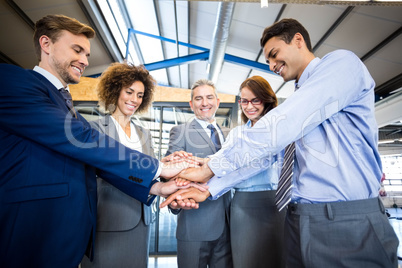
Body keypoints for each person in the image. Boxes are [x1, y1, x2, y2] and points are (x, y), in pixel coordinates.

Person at [162, 18, 399, 267]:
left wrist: (208, 167)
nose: (273, 65)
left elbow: (282, 124)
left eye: (274, 55)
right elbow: (261, 159)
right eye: (269, 62)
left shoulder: (341, 65)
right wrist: (210, 187)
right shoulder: (295, 103)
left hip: (346, 219)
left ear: (298, 40)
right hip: (299, 217)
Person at [0, 14, 197, 268]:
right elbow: (84, 140)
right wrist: (159, 167)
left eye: (87, 55)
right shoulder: (13, 81)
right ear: (46, 44)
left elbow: (95, 164)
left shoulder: (65, 104)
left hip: (67, 235)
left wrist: (157, 187)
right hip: (32, 232)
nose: (84, 60)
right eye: (77, 50)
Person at [80, 63, 158, 267]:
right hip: (110, 218)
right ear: (115, 91)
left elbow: (153, 172)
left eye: (140, 95)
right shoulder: (95, 129)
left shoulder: (145, 134)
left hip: (142, 219)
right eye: (129, 92)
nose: (134, 100)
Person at [166, 79, 233, 268]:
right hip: (195, 226)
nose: (205, 103)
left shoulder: (230, 135)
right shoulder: (180, 132)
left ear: (218, 101)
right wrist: (176, 203)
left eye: (209, 97)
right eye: (199, 98)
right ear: (191, 104)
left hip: (230, 227)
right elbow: (169, 172)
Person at [227, 76, 285, 268]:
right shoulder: (236, 134)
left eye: (255, 100)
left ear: (266, 99)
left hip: (274, 202)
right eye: (244, 101)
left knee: (277, 259)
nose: (249, 106)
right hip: (242, 204)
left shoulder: (280, 130)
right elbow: (222, 165)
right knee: (245, 260)